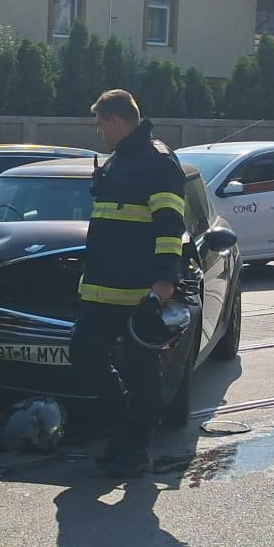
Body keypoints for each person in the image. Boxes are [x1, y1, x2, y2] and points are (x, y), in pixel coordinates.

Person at [71, 88, 188, 478]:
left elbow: (170, 227)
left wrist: (164, 282)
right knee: (83, 353)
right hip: (101, 289)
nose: (99, 132)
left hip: (139, 293)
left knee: (142, 374)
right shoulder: (117, 161)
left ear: (117, 121)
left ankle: (136, 448)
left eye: (100, 124)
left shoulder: (158, 163)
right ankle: (122, 431)